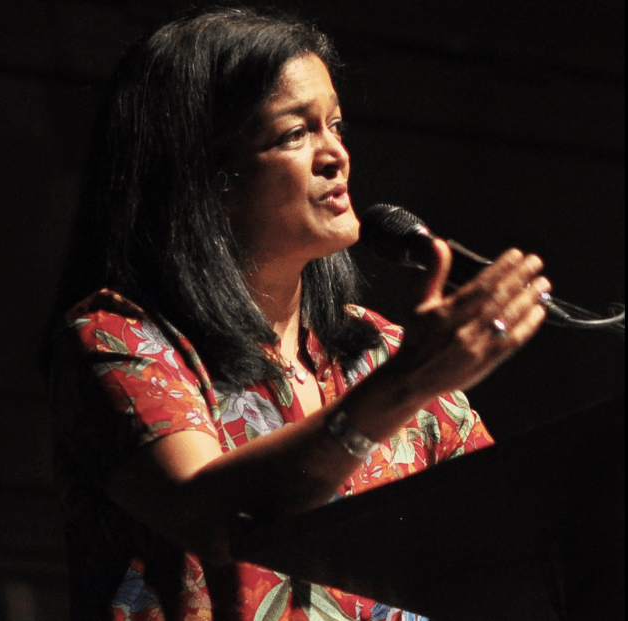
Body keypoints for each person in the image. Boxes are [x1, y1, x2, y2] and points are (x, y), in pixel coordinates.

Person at [43, 7, 551, 621]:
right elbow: (211, 515)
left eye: (334, 125)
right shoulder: (120, 336)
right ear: (205, 175)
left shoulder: (383, 349)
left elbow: (522, 542)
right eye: (294, 133)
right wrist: (406, 384)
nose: (335, 154)